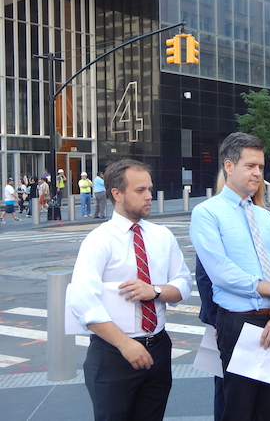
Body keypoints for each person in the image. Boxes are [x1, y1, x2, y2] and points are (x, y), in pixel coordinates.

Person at [66, 159, 192, 420]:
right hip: (114, 353)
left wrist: (155, 290)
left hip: (158, 347)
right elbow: (82, 301)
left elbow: (183, 285)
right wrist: (125, 345)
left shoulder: (162, 235)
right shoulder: (99, 240)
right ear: (117, 193)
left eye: (150, 189)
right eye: (140, 190)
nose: (149, 196)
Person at [190, 132, 270, 421]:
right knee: (238, 408)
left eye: (260, 167)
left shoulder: (264, 215)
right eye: (250, 166)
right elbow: (221, 273)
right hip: (238, 323)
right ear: (228, 166)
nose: (258, 173)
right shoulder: (207, 213)